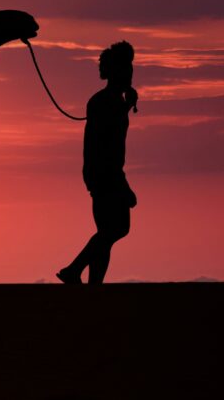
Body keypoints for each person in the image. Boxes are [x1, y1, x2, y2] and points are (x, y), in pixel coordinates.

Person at [57, 41, 138, 285]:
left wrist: (125, 106)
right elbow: (106, 143)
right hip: (105, 173)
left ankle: (93, 285)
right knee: (116, 229)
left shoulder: (107, 101)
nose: (130, 74)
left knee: (108, 231)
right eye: (127, 69)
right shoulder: (105, 102)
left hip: (101, 173)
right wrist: (122, 185)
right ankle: (73, 270)